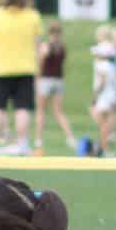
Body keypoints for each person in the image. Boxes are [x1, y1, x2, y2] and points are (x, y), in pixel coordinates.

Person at [0, 0, 42, 156]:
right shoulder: (32, 16)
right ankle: (22, 144)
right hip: (25, 69)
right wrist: (38, 69)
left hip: (0, 70)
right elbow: (37, 47)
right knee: (22, 109)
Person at [35, 22, 78, 156]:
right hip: (58, 80)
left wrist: (36, 78)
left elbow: (40, 63)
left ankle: (39, 140)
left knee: (41, 111)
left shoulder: (46, 46)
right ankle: (70, 137)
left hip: (45, 80)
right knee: (58, 112)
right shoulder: (62, 47)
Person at [87, 30, 116, 153]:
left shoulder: (100, 65)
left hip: (103, 96)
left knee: (102, 123)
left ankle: (104, 147)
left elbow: (101, 82)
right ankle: (105, 142)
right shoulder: (112, 65)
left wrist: (95, 96)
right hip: (111, 95)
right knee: (107, 121)